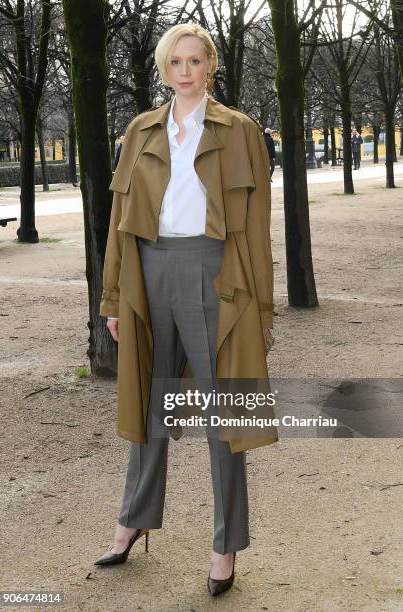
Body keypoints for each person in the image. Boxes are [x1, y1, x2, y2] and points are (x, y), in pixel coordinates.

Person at [94, 23, 278, 597]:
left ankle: (226, 545)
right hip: (148, 271)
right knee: (147, 400)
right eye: (176, 60)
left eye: (195, 60)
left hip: (214, 272)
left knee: (224, 412)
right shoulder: (141, 129)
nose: (185, 70)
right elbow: (120, 221)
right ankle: (133, 520)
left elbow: (256, 226)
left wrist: (261, 306)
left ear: (210, 66)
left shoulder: (241, 130)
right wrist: (114, 296)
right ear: (163, 66)